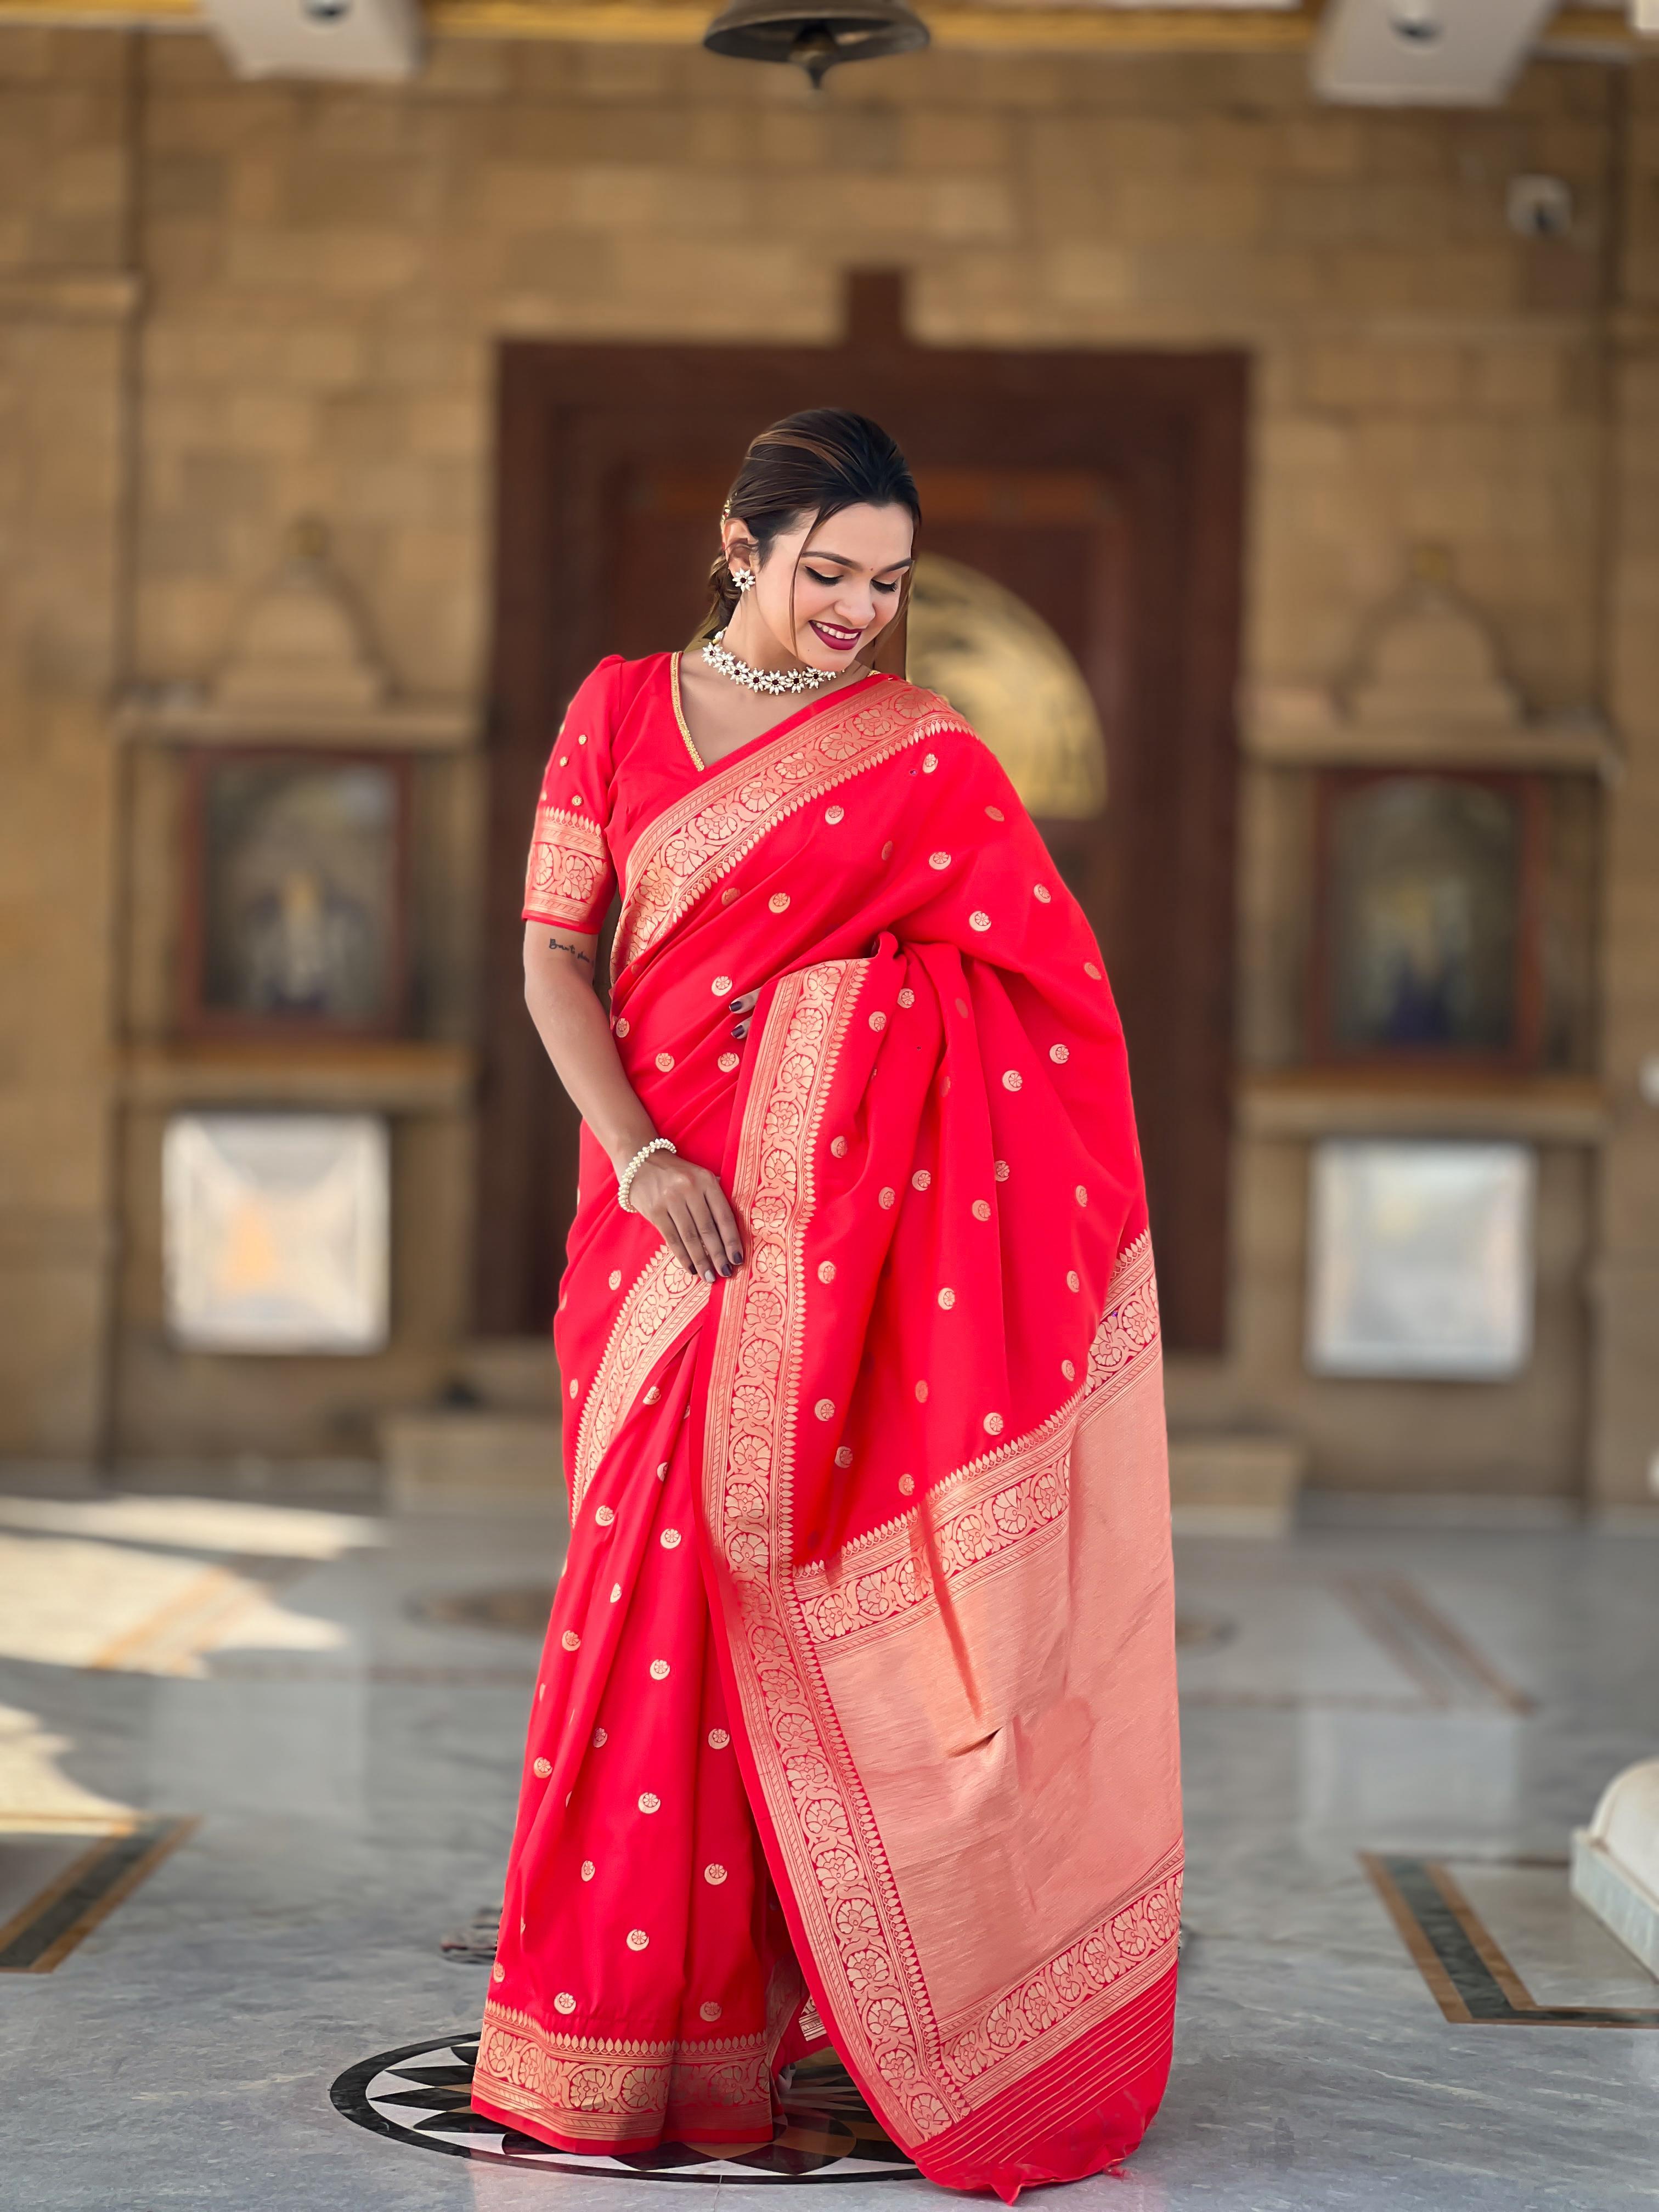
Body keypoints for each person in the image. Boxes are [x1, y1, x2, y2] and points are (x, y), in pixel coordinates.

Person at [471, 409, 1181, 2200]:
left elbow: (1041, 996)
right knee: (630, 1593)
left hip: (821, 1236)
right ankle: (611, 2028)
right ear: (740, 542)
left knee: (733, 1590)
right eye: (829, 570)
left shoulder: (924, 754)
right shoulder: (617, 710)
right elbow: (557, 960)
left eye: (891, 581)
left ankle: (816, 2018)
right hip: (653, 1219)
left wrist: (831, 1062)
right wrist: (644, 1157)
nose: (861, 608)